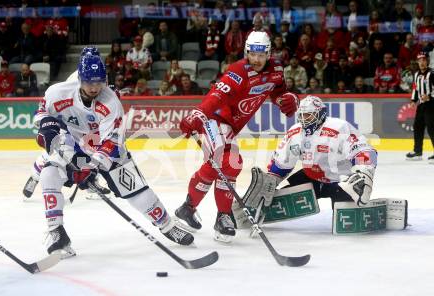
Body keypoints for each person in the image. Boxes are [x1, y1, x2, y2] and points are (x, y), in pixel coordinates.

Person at [33, 52, 194, 258]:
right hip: (73, 144)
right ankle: (56, 231)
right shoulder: (59, 92)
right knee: (49, 175)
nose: (94, 88)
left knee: (136, 191)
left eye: (99, 82)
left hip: (106, 148)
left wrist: (92, 168)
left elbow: (112, 142)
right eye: (90, 82)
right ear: (80, 79)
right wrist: (46, 125)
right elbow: (42, 113)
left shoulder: (110, 102)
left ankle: (167, 224)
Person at [174, 31, 299, 242]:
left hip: (232, 125)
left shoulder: (277, 68)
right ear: (246, 52)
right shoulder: (238, 71)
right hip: (215, 119)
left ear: (269, 54)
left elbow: (278, 91)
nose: (257, 60)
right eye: (252, 54)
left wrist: (288, 99)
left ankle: (188, 207)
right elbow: (216, 96)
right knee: (231, 162)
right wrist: (198, 114)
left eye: (261, 55)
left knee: (219, 166)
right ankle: (223, 217)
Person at [243, 95, 377, 216]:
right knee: (277, 200)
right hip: (312, 177)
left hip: (340, 181)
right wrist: (271, 180)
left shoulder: (339, 127)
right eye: (301, 115)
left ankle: (355, 201)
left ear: (320, 114)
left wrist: (364, 172)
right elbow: (282, 163)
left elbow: (363, 150)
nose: (303, 119)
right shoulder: (295, 132)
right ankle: (253, 211)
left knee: (345, 219)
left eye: (308, 115)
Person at [23, 46, 102, 198]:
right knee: (56, 152)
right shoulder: (75, 79)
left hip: (86, 123)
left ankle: (92, 184)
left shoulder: (100, 75)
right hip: (70, 121)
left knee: (91, 152)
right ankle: (35, 176)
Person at [406, 52, 434, 162]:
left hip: (432, 104)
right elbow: (416, 89)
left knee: (432, 128)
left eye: (423, 60)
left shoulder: (432, 74)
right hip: (422, 105)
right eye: (419, 60)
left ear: (427, 61)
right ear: (417, 62)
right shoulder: (417, 74)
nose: (422, 62)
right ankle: (417, 152)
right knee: (417, 126)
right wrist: (414, 100)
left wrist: (430, 97)